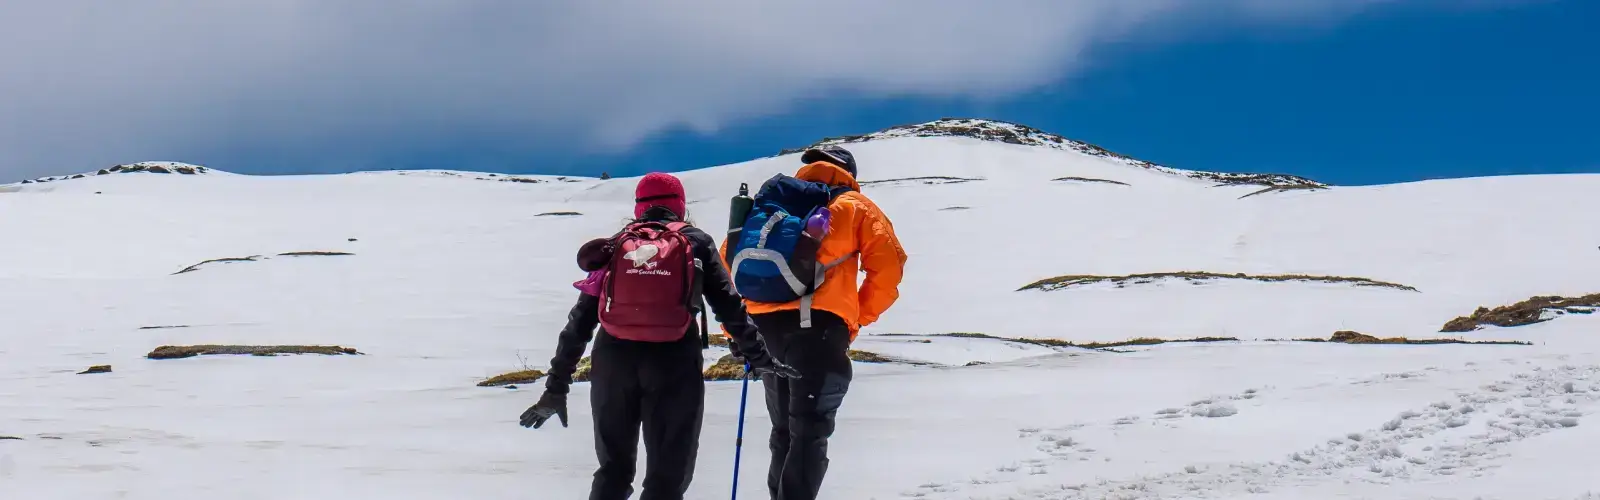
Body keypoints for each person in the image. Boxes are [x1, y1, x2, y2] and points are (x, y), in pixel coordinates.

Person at [520, 172, 801, 500]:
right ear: (680, 206)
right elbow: (730, 306)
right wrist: (758, 355)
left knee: (613, 471)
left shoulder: (615, 246)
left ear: (639, 207)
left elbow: (579, 323)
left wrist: (556, 388)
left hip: (613, 361)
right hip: (674, 362)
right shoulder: (696, 241)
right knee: (667, 478)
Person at [721, 145, 908, 500]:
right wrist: (854, 319)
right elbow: (887, 269)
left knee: (784, 433)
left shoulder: (770, 207)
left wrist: (736, 330)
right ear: (850, 173)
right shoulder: (855, 207)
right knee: (809, 432)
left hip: (762, 331)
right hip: (818, 330)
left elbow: (728, 265)